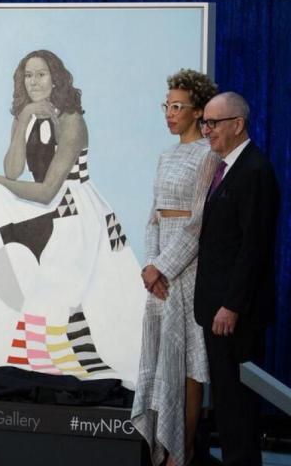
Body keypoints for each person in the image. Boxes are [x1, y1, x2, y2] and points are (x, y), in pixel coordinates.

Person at [0, 50, 144, 387]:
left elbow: (49, 189)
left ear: (56, 79)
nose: (34, 82)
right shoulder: (28, 116)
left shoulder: (72, 121)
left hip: (72, 211)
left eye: (42, 75)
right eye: (28, 75)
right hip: (41, 205)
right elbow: (13, 170)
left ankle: (0, 330)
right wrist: (22, 122)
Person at [131, 69, 218, 466]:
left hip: (188, 272)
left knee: (187, 363)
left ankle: (180, 453)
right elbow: (153, 218)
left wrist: (163, 267)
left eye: (177, 106)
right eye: (166, 106)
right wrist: (151, 265)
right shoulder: (165, 156)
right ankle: (161, 447)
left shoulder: (209, 154)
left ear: (198, 112)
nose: (169, 113)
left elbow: (197, 222)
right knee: (160, 356)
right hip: (160, 277)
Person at [195, 91, 279, 466]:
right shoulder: (224, 169)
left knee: (238, 408)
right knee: (227, 406)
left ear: (237, 124)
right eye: (205, 123)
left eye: (213, 123)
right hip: (217, 310)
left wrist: (231, 304)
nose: (206, 130)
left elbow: (253, 249)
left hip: (235, 315)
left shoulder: (255, 171)